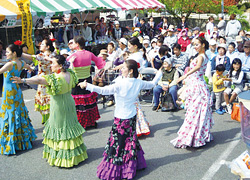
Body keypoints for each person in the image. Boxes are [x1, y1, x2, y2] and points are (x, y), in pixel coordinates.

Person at [78, 59, 162, 179]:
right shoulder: (138, 82)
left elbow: (103, 90)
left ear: (131, 71)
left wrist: (87, 85)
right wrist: (159, 73)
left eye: (123, 68)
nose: (121, 70)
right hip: (132, 116)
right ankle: (132, 165)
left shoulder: (121, 84)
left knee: (118, 144)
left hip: (122, 118)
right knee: (129, 141)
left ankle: (118, 169)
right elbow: (153, 83)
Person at [12, 55, 88, 167]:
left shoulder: (55, 78)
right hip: (69, 102)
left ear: (60, 65)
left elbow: (38, 80)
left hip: (58, 106)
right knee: (69, 126)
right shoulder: (70, 73)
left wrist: (23, 80)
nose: (51, 65)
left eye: (53, 63)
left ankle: (63, 157)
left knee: (59, 127)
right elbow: (69, 67)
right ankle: (74, 155)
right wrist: (70, 61)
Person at [170, 35, 214, 148]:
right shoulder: (202, 55)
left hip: (197, 85)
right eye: (194, 45)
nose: (195, 47)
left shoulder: (201, 56)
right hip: (196, 85)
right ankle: (196, 135)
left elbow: (198, 67)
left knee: (194, 112)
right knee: (195, 112)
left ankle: (192, 136)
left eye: (197, 44)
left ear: (203, 45)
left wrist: (185, 75)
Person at [0, 42, 36, 155]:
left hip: (9, 92)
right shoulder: (21, 62)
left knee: (10, 114)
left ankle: (12, 141)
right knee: (19, 112)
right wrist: (31, 68)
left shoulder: (10, 64)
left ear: (14, 53)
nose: (6, 54)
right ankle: (22, 139)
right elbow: (30, 68)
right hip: (17, 90)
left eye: (7, 52)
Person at [67, 36, 104, 128]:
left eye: (74, 43)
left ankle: (81, 122)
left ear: (77, 44)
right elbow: (100, 63)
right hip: (87, 79)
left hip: (77, 81)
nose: (72, 44)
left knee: (78, 102)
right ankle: (91, 121)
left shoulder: (73, 56)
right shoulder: (89, 54)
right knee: (89, 100)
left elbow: (66, 68)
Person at [22, 38, 55, 124]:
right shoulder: (53, 55)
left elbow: (29, 57)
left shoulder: (42, 56)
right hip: (52, 80)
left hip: (43, 81)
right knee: (51, 100)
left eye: (43, 44)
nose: (40, 45)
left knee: (44, 101)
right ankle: (51, 119)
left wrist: (18, 52)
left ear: (47, 47)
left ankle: (47, 120)